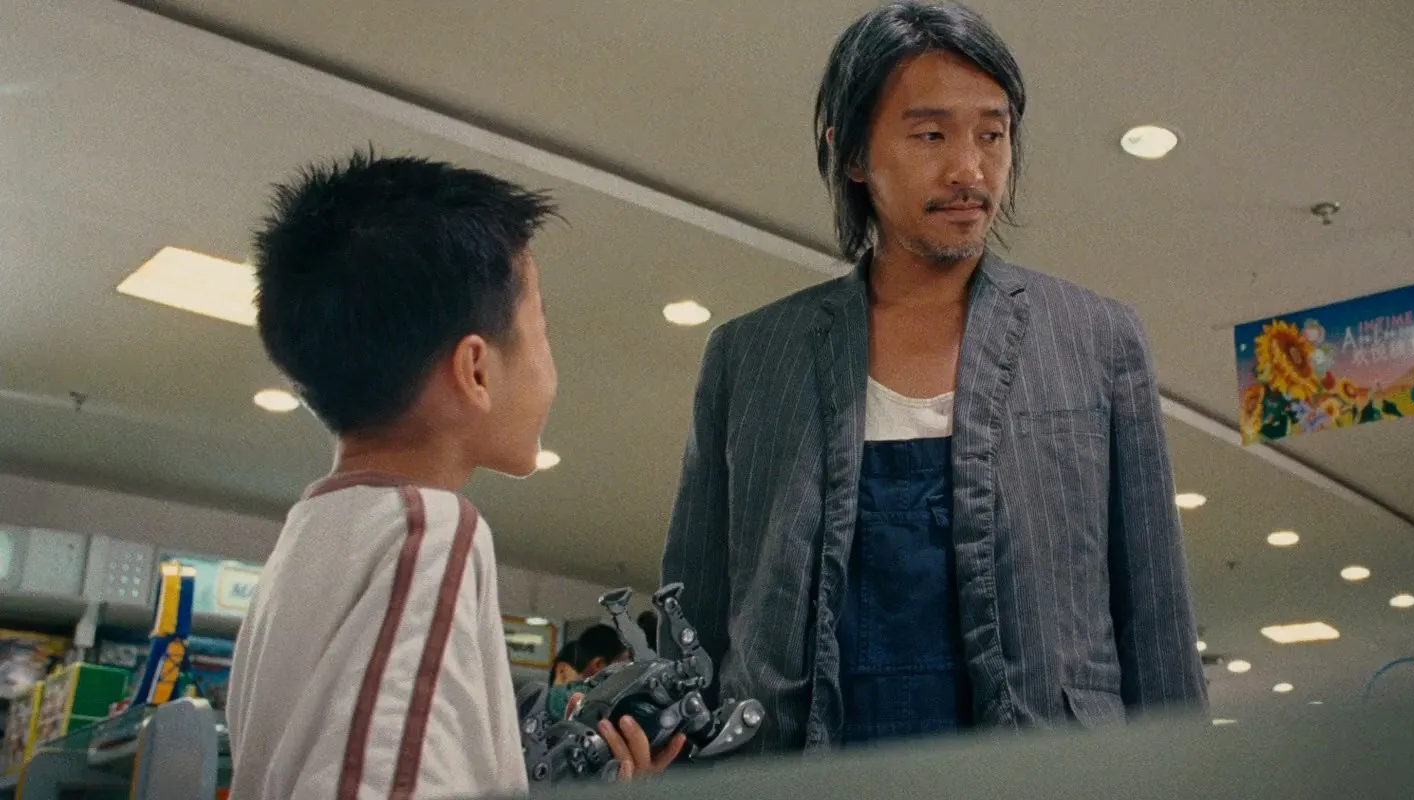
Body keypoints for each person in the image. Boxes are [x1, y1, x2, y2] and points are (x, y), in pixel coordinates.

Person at [662, 0, 1207, 754]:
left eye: (993, 134)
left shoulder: (1095, 339)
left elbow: (1155, 614)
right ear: (852, 153)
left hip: (1047, 769)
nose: (969, 170)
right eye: (930, 134)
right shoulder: (750, 358)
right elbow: (693, 614)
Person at [227, 152, 679, 799]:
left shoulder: (310, 539)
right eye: (541, 329)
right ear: (476, 370)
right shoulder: (430, 534)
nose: (551, 365)